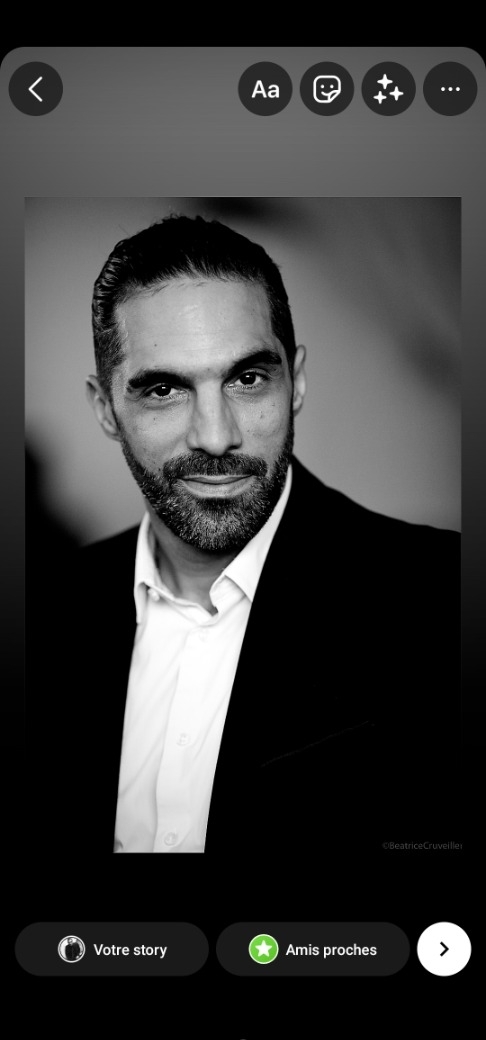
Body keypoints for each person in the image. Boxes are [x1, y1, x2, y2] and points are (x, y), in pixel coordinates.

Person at [29, 214, 460, 858]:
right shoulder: (41, 610)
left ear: (297, 382)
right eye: (164, 389)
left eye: (248, 378)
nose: (215, 436)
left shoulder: (445, 598)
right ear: (105, 409)